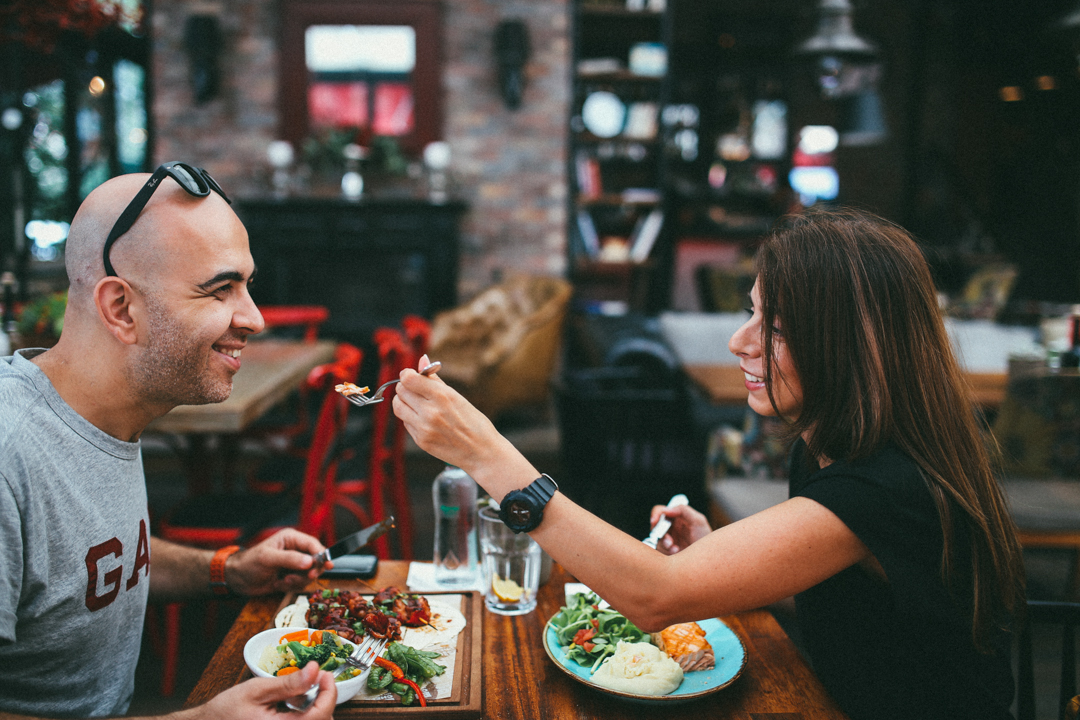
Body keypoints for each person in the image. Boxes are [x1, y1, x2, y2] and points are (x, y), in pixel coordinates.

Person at [393, 207, 1026, 720]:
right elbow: (860, 614)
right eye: (752, 310)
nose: (739, 340)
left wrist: (483, 451)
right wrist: (727, 556)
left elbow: (654, 596)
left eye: (775, 327)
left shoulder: (886, 484)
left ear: (850, 346)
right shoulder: (828, 445)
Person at [0, 165, 337, 719]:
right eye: (219, 289)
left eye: (247, 286)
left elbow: (90, 564)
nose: (253, 318)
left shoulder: (108, 415)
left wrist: (228, 570)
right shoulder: (12, 452)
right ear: (120, 309)